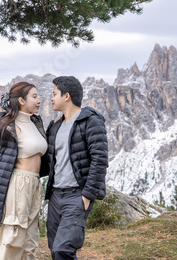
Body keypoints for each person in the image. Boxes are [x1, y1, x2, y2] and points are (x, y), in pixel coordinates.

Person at [43, 76, 109, 260]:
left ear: (67, 96)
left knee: (62, 249)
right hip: (56, 196)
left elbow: (100, 159)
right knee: (54, 249)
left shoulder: (91, 121)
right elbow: (48, 162)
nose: (51, 98)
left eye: (54, 94)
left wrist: (87, 195)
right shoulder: (55, 126)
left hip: (76, 195)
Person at [0, 81, 48, 260]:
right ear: (21, 101)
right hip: (17, 184)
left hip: (34, 184)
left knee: (30, 241)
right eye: (34, 96)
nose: (39, 100)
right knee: (13, 238)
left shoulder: (36, 123)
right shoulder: (6, 126)